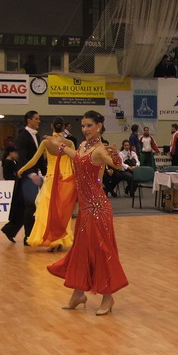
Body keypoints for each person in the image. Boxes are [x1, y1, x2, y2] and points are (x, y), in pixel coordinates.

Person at [45, 110, 128, 316]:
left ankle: (107, 297)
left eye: (89, 125)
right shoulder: (83, 146)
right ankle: (78, 294)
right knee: (81, 251)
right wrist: (60, 146)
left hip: (98, 209)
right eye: (83, 126)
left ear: (99, 126)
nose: (85, 129)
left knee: (102, 252)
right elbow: (77, 157)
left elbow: (117, 165)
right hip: (85, 209)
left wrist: (115, 154)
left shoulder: (100, 150)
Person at [17, 117, 75, 252]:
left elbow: (33, 161)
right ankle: (59, 239)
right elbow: (75, 162)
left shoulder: (45, 142)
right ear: (63, 127)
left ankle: (51, 239)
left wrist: (21, 169)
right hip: (65, 180)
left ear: (51, 126)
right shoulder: (69, 143)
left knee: (47, 210)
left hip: (51, 180)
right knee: (62, 211)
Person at [1, 111, 46, 245]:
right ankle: (28, 237)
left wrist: (46, 172)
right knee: (30, 206)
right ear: (29, 120)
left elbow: (38, 158)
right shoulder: (22, 137)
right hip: (26, 176)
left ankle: (10, 230)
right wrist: (31, 174)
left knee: (24, 206)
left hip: (32, 175)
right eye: (36, 119)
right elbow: (23, 159)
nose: (39, 121)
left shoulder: (36, 136)